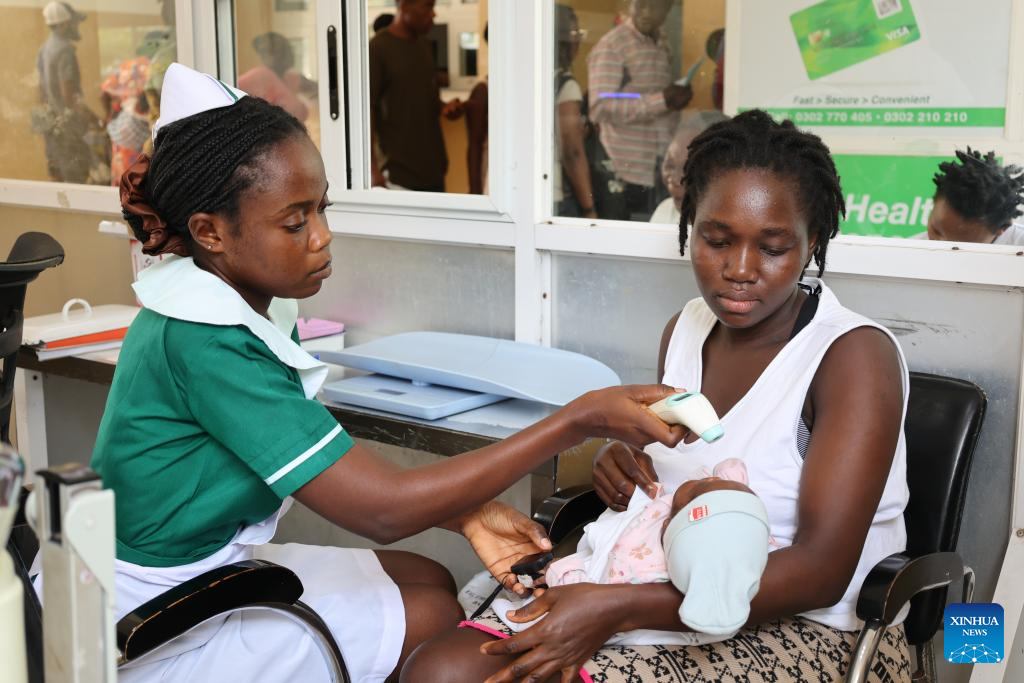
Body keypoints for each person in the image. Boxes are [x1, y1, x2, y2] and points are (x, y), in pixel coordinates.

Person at [86, 62, 685, 683]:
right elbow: (381, 510)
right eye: (295, 223)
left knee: (428, 576)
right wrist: (577, 419)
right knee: (430, 612)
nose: (322, 238)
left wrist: (465, 514)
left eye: (322, 209)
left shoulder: (243, 304)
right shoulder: (204, 338)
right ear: (210, 232)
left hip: (200, 561)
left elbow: (335, 474)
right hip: (152, 609)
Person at [402, 110, 913, 683]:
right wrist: (624, 465)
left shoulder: (851, 357)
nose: (740, 270)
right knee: (441, 671)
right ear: (688, 226)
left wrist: (618, 609)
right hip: (649, 578)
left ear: (812, 240)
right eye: (716, 240)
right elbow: (675, 467)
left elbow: (824, 571)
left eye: (773, 248)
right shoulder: (688, 328)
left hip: (802, 621)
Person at [478, 464, 770, 649]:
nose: (705, 478)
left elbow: (585, 590)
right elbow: (730, 473)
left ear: (668, 524)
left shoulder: (638, 565)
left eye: (701, 486)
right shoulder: (748, 534)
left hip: (607, 611)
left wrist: (558, 570)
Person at [586, 0, 691, 221]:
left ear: (668, 8)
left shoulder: (661, 42)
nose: (645, 12)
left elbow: (657, 98)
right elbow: (599, 108)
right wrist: (661, 100)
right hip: (623, 168)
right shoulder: (613, 45)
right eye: (639, 4)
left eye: (654, 5)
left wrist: (676, 99)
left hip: (658, 166)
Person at [369, 0, 463, 192]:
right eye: (427, 6)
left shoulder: (425, 46)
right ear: (403, 5)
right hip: (398, 176)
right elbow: (365, 111)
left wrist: (445, 108)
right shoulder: (378, 48)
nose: (434, 14)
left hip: (434, 170)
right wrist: (372, 170)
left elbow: (427, 97)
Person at [33, 1, 97, 183]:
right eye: (74, 22)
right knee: (76, 179)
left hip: (52, 127)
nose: (76, 26)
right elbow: (68, 94)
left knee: (56, 175)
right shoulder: (65, 50)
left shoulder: (44, 49)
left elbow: (40, 92)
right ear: (63, 24)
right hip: (67, 129)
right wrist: (93, 118)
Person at [921, 148, 1024, 245]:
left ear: (1001, 229)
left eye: (958, 242)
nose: (941, 245)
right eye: (936, 231)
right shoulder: (910, 250)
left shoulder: (1019, 246)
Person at [553, 4, 596, 219]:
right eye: (575, 34)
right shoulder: (565, 85)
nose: (578, 40)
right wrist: (589, 208)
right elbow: (572, 152)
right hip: (554, 196)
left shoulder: (530, 76)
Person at [649, 110, 727, 225]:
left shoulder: (736, 226)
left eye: (688, 169)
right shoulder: (665, 212)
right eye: (670, 165)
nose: (674, 180)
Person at [237, 31, 315, 122]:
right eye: (282, 50)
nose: (289, 54)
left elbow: (323, 89)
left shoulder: (291, 78)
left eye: (288, 49)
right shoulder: (259, 76)